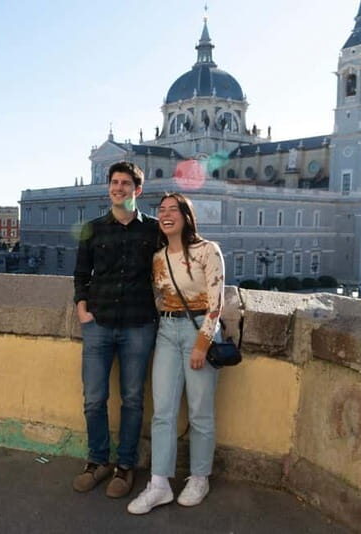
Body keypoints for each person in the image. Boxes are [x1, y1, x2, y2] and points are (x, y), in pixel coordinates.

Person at [127, 192, 225, 515]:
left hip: (200, 330)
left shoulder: (207, 252)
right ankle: (159, 484)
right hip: (167, 331)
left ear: (186, 215)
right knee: (163, 411)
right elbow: (158, 297)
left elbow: (217, 303)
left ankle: (199, 477)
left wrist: (202, 343)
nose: (166, 214)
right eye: (162, 210)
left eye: (174, 209)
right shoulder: (158, 258)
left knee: (200, 411)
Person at [72, 161, 159, 498]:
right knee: (94, 398)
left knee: (133, 400)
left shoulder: (153, 230)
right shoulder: (92, 229)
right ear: (108, 187)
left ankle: (125, 466)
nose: (118, 188)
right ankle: (97, 461)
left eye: (125, 183)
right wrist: (82, 306)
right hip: (99, 324)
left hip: (138, 324)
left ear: (138, 190)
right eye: (114, 182)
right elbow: (81, 274)